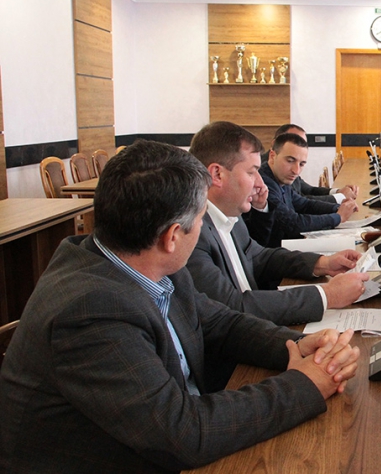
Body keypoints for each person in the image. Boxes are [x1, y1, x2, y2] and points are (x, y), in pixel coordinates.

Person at [0, 140, 360, 473]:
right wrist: (304, 384)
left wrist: (295, 345)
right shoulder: (89, 311)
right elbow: (183, 431)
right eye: (201, 218)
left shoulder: (149, 262)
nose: (203, 227)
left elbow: (220, 322)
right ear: (172, 236)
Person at [187, 122, 367, 329]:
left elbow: (260, 256)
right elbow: (232, 307)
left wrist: (323, 263)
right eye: (251, 173)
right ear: (217, 174)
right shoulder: (191, 233)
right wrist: (326, 295)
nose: (260, 183)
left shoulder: (230, 213)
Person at [244, 132, 359, 245]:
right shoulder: (264, 183)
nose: (296, 171)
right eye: (290, 161)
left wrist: (338, 208)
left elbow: (304, 204)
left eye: (302, 164)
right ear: (272, 156)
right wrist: (338, 217)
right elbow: (294, 224)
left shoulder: (281, 177)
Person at [272, 123, 359, 202]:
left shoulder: (292, 166)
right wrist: (340, 197)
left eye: (303, 143)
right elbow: (301, 202)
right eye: (295, 142)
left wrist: (338, 191)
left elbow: (309, 190)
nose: (296, 171)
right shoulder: (272, 171)